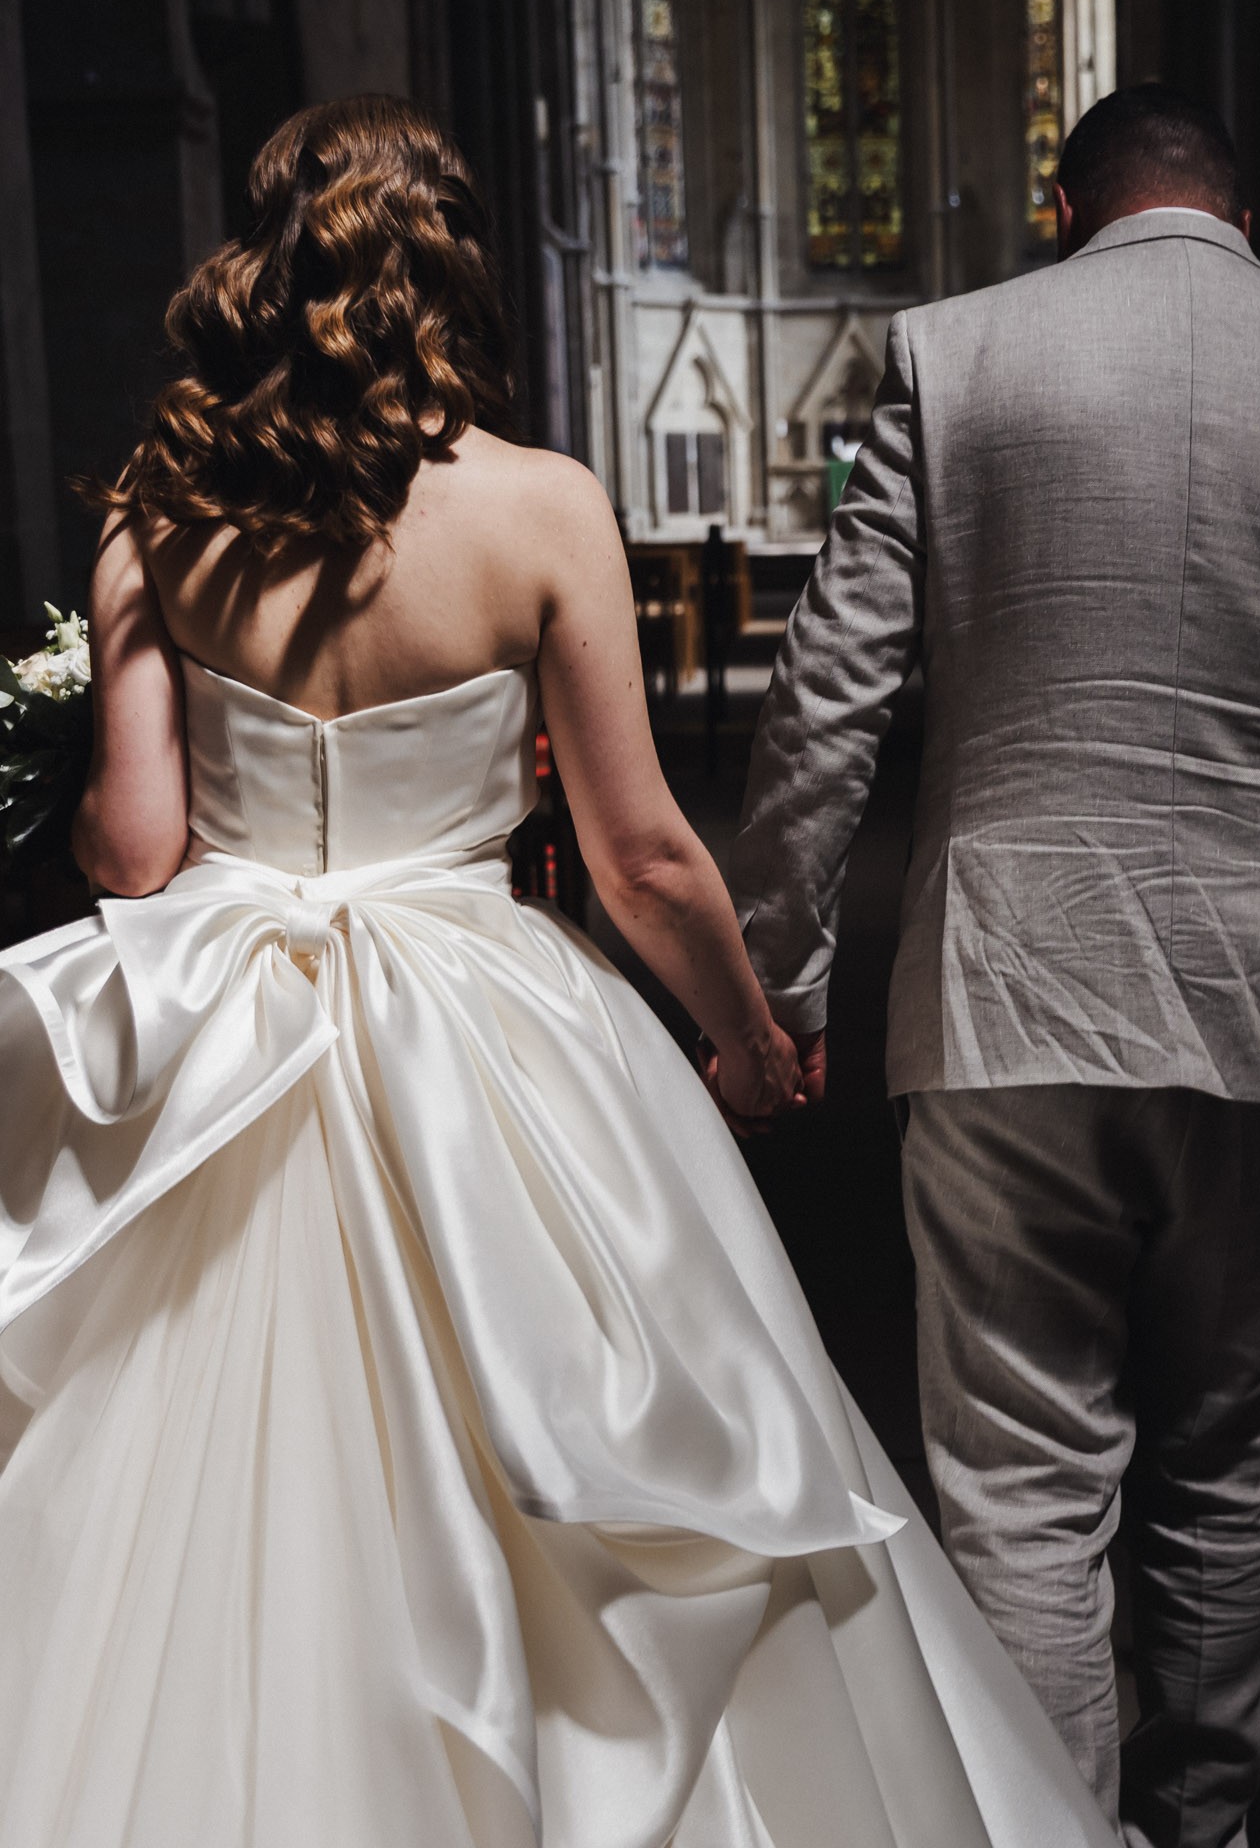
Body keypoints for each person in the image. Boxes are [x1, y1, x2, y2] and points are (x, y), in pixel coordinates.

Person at [0, 97, 1111, 1847]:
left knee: (208, 1482)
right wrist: (745, 1041)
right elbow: (642, 856)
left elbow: (135, 849)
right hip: (486, 1028)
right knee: (597, 1466)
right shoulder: (538, 508)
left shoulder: (166, 508)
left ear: (265, 265)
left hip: (224, 1032)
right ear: (452, 266)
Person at [729, 82, 1260, 1846]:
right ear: (1243, 223)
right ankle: (1201, 1830)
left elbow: (831, 699)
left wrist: (783, 974)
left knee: (1030, 1486)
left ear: (1070, 211)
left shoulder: (959, 358)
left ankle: (1052, 1828)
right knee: (1226, 1465)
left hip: (1010, 999)